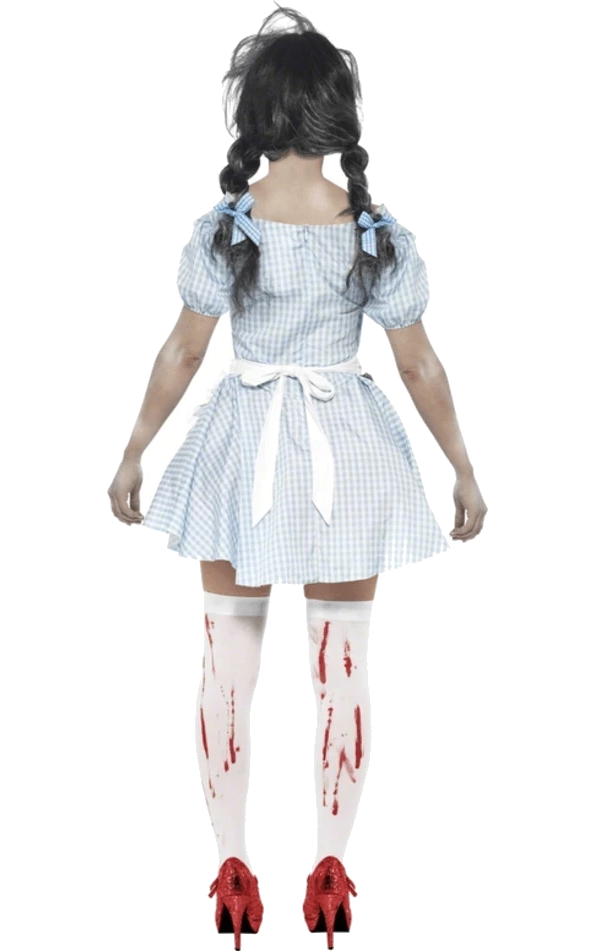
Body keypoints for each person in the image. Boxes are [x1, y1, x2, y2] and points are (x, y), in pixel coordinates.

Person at [108, 8, 487, 950]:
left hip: (243, 450)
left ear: (257, 115)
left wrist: (137, 449)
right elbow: (420, 366)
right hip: (343, 454)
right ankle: (332, 861)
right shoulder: (375, 232)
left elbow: (181, 354)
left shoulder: (226, 228)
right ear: (338, 115)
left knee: (226, 658)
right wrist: (461, 467)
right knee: (344, 659)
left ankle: (232, 859)